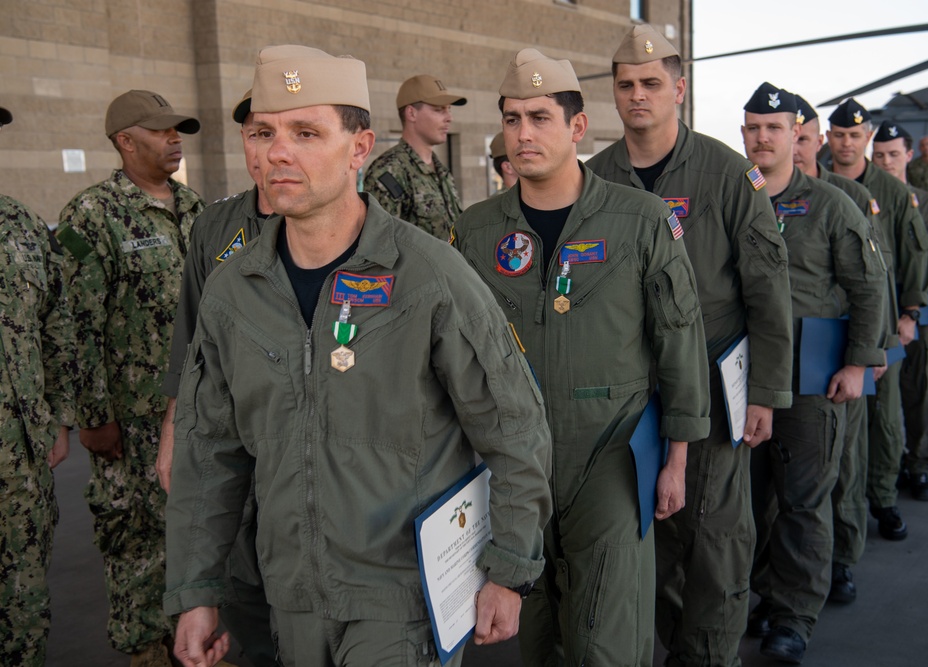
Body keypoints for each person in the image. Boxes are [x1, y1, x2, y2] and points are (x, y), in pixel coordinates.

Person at [164, 45, 552, 667]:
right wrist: (197, 589)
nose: (277, 152)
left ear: (360, 147)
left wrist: (509, 567)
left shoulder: (428, 277)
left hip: (401, 600)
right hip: (288, 598)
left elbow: (513, 426)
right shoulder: (234, 292)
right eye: (263, 132)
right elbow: (211, 453)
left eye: (306, 132)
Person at [455, 46, 712, 667]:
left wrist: (676, 458)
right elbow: (454, 355)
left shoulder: (640, 220)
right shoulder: (475, 231)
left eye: (539, 118)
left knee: (607, 635)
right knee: (537, 630)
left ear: (576, 128)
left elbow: (679, 338)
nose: (522, 134)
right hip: (516, 462)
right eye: (512, 119)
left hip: (611, 453)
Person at [587, 25, 793, 667]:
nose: (637, 96)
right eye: (625, 85)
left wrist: (765, 392)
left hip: (710, 388)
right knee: (649, 533)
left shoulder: (727, 174)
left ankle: (708, 655)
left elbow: (768, 286)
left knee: (715, 534)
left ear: (679, 87)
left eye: (651, 83)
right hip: (627, 394)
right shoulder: (595, 178)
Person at [54, 89, 205, 665]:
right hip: (131, 416)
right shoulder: (92, 215)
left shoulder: (194, 208)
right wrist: (93, 417)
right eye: (161, 131)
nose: (174, 140)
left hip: (194, 410)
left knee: (196, 530)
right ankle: (147, 652)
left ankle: (190, 645)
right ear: (125, 141)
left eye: (177, 131)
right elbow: (75, 325)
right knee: (138, 541)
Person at [742, 83, 886, 665]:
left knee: (803, 502)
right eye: (752, 128)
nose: (762, 138)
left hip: (810, 381)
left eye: (774, 128)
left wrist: (857, 363)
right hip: (745, 383)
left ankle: (794, 616)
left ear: (796, 135)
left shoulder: (830, 205)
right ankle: (768, 594)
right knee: (748, 504)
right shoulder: (734, 199)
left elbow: (868, 285)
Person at [156, 89, 276, 667]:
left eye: (294, 133)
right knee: (243, 587)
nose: (269, 151)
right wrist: (173, 432)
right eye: (257, 134)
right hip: (233, 437)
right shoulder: (217, 227)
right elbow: (192, 342)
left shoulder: (359, 226)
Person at [790, 93, 891, 606]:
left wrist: (870, 356)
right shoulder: (759, 194)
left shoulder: (843, 197)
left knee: (843, 467)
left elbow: (874, 281)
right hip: (786, 363)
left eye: (806, 139)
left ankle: (843, 561)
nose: (799, 148)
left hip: (832, 356)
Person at [826, 98, 928, 544]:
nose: (847, 143)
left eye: (855, 135)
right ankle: (840, 509)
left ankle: (883, 498)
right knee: (841, 427)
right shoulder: (817, 185)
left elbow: (914, 256)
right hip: (831, 326)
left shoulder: (889, 194)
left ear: (867, 138)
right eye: (839, 134)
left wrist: (909, 315)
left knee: (884, 420)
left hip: (883, 323)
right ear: (828, 138)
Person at [0, 103, 75, 667]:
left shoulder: (20, 224)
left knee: (23, 606)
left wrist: (56, 416)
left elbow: (55, 324)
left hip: (21, 462)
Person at [871, 121, 928, 503]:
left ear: (908, 155)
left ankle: (920, 464)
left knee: (919, 394)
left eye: (894, 154)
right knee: (880, 404)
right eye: (879, 156)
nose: (887, 162)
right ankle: (881, 470)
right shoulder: (865, 200)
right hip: (879, 320)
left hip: (918, 319)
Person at [363, 73, 466, 241]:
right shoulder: (389, 172)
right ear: (411, 113)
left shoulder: (441, 171)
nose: (449, 118)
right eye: (439, 110)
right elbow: (381, 245)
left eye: (449, 110)